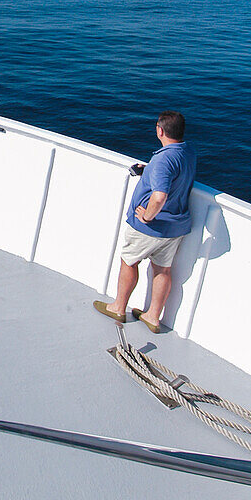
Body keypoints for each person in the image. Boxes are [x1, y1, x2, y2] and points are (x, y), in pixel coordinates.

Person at [94, 111, 197, 333]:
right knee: (163, 269)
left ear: (160, 130)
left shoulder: (162, 159)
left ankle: (119, 307)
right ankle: (152, 317)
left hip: (151, 227)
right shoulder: (188, 152)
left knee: (129, 261)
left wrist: (147, 216)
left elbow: (159, 196)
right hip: (175, 226)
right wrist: (148, 171)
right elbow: (174, 178)